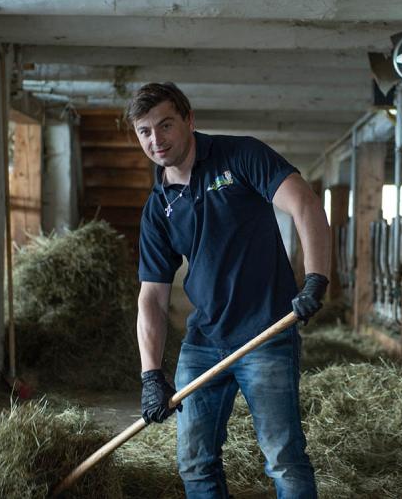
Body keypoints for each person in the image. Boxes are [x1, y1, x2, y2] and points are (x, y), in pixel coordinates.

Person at [128, 82, 330, 499]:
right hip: (204, 342)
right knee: (194, 463)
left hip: (267, 333)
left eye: (165, 125)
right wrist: (151, 375)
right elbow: (152, 297)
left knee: (283, 458)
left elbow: (305, 204)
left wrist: (316, 279)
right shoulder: (158, 207)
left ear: (189, 120)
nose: (156, 140)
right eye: (144, 131)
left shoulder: (240, 155)